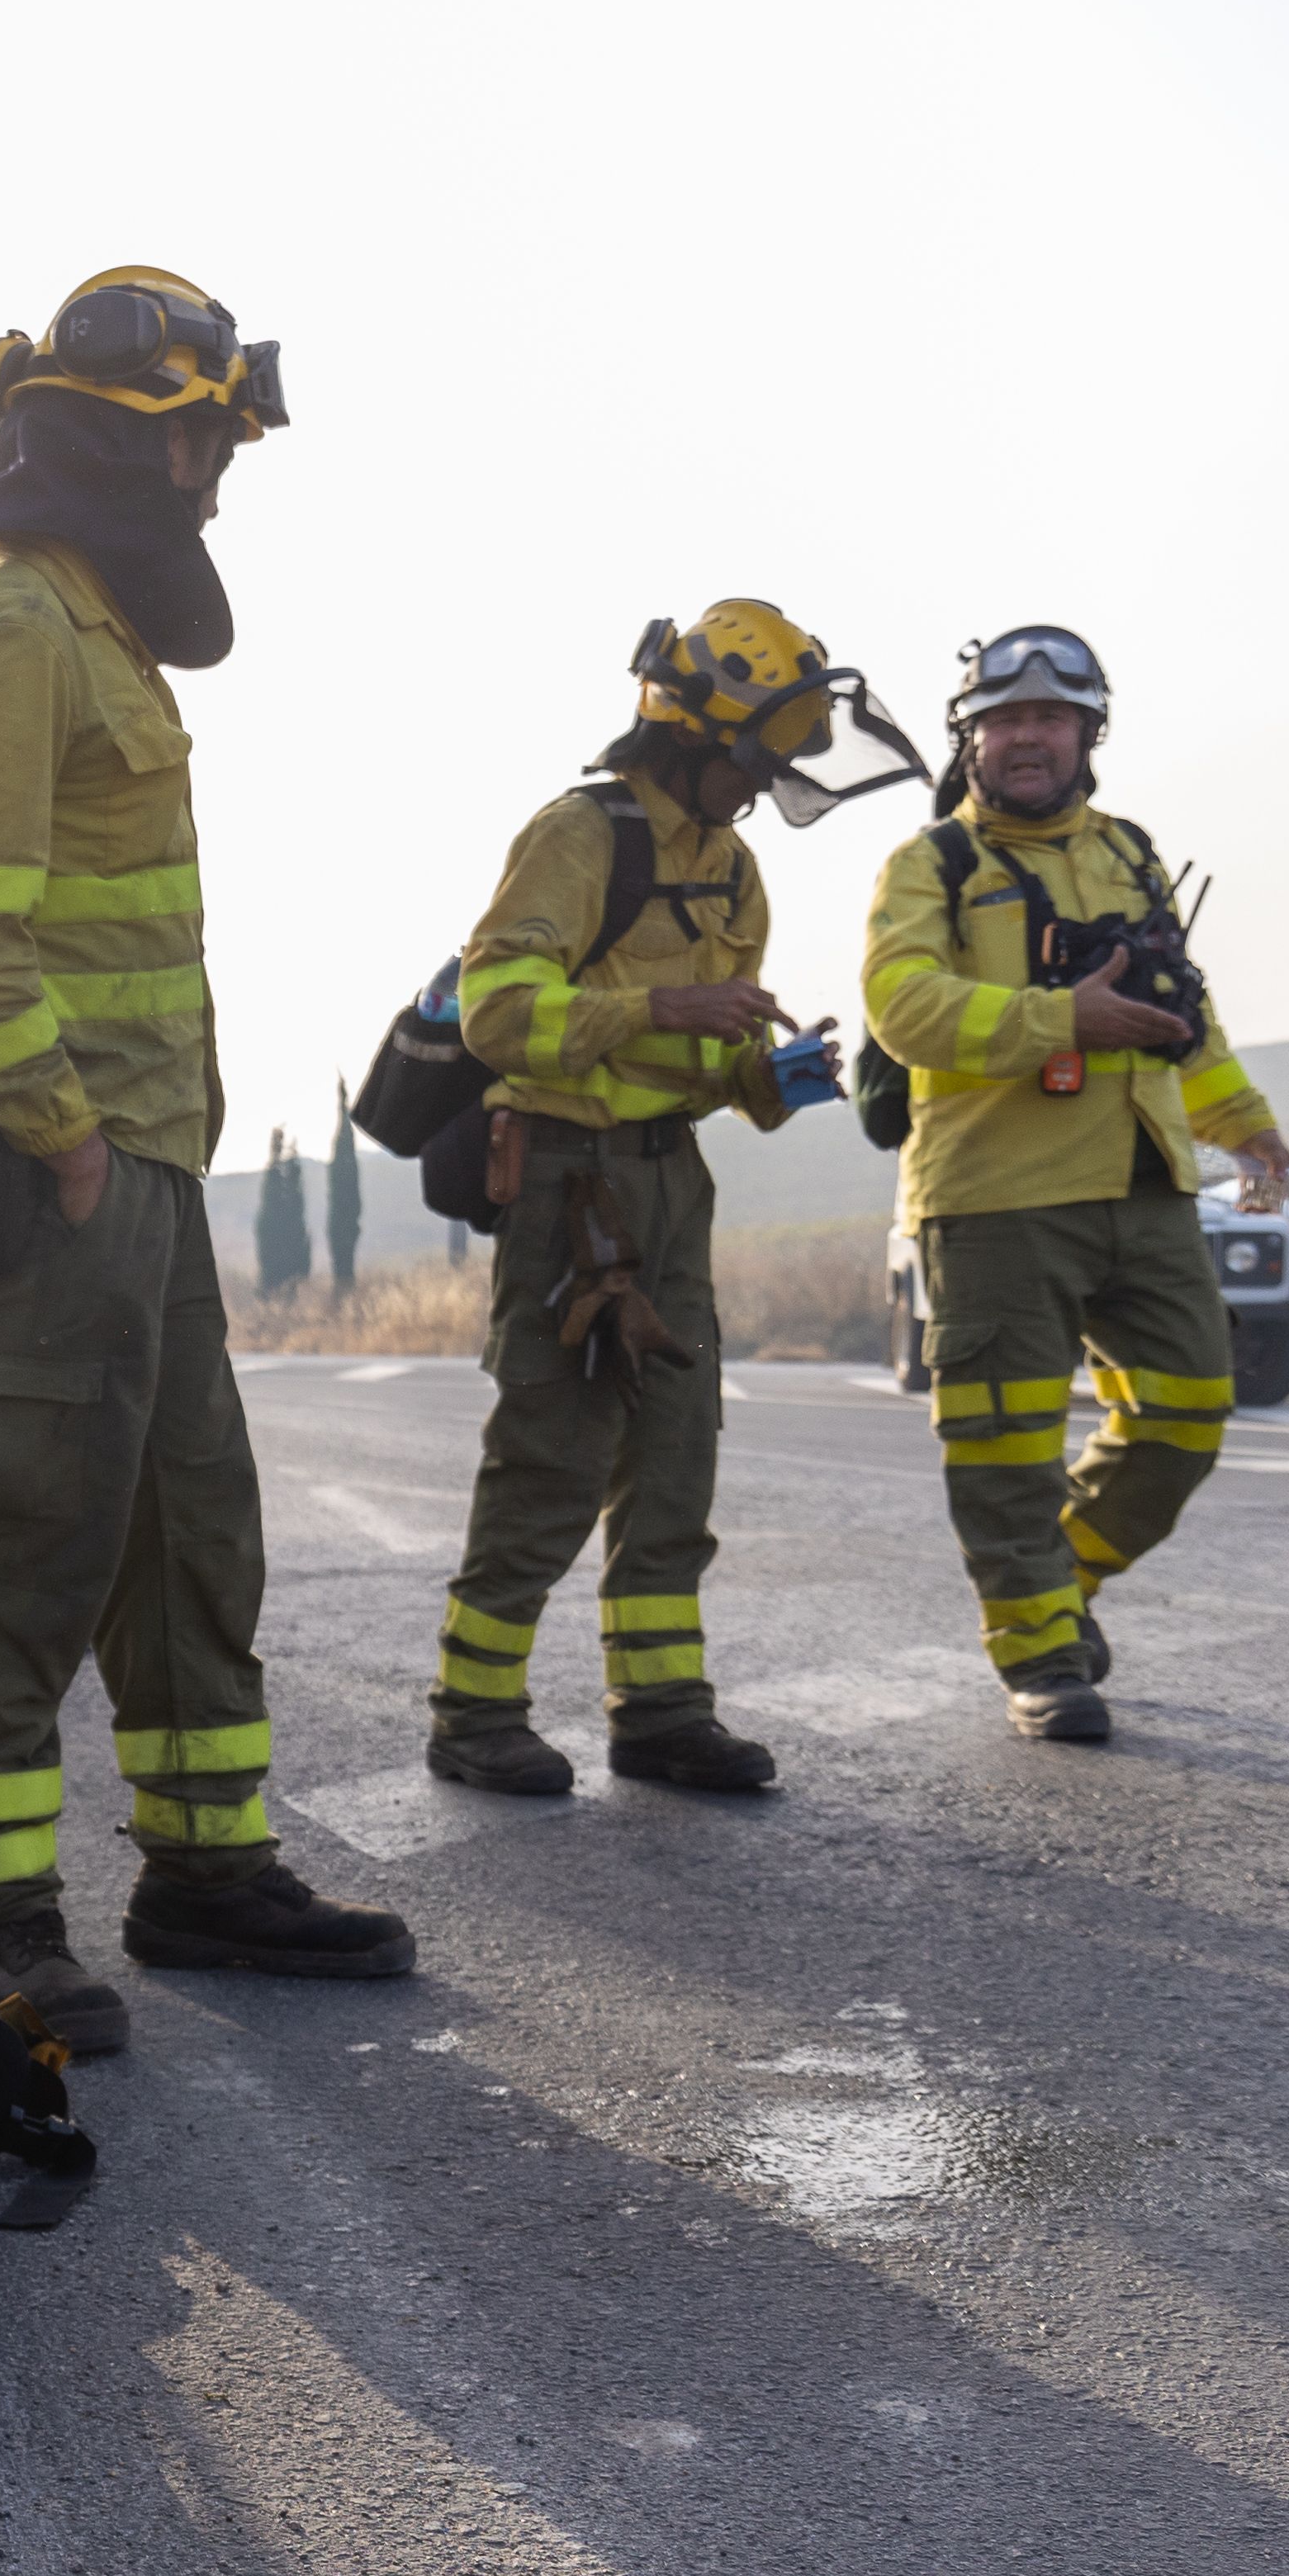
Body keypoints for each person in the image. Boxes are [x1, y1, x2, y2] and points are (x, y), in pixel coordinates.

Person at [0, 266, 413, 2057]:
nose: (214, 486)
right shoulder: (14, 626)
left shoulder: (93, 629)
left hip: (144, 1169)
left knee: (192, 1533)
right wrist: (66, 1140)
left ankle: (206, 1871)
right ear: (134, 435)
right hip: (58, 1177)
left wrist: (136, 1162)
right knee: (19, 1534)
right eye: (204, 446)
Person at [424, 603, 923, 1797]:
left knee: (674, 1452)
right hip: (563, 1180)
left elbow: (707, 1060)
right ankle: (474, 1710)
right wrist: (657, 1011)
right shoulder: (581, 834)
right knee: (551, 1452)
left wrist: (768, 1074)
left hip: (667, 1182)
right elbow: (495, 1012)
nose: (762, 782)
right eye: (751, 755)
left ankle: (660, 1712)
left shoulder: (733, 868)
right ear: (685, 731)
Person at [862, 626, 1289, 1740]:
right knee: (1005, 1446)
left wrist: (1246, 1127)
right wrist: (1060, 1018)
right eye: (1005, 719)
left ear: (1090, 732)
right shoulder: (931, 869)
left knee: (1191, 1410)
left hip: (1141, 1179)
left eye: (1052, 717)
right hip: (994, 1193)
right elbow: (902, 1008)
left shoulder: (1132, 853)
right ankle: (1040, 1654)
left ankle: (1058, 1583)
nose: (1028, 737)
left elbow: (1180, 1012)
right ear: (973, 737)